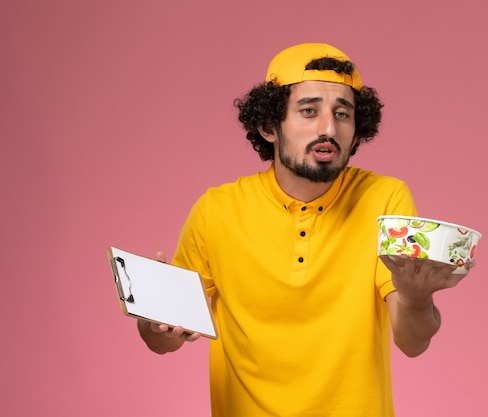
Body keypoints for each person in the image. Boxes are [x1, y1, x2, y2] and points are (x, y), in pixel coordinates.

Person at [137, 42, 466, 417]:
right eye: (308, 111)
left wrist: (417, 298)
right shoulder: (217, 210)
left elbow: (412, 342)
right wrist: (155, 323)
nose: (328, 128)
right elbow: (163, 342)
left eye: (343, 113)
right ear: (268, 126)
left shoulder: (385, 200)